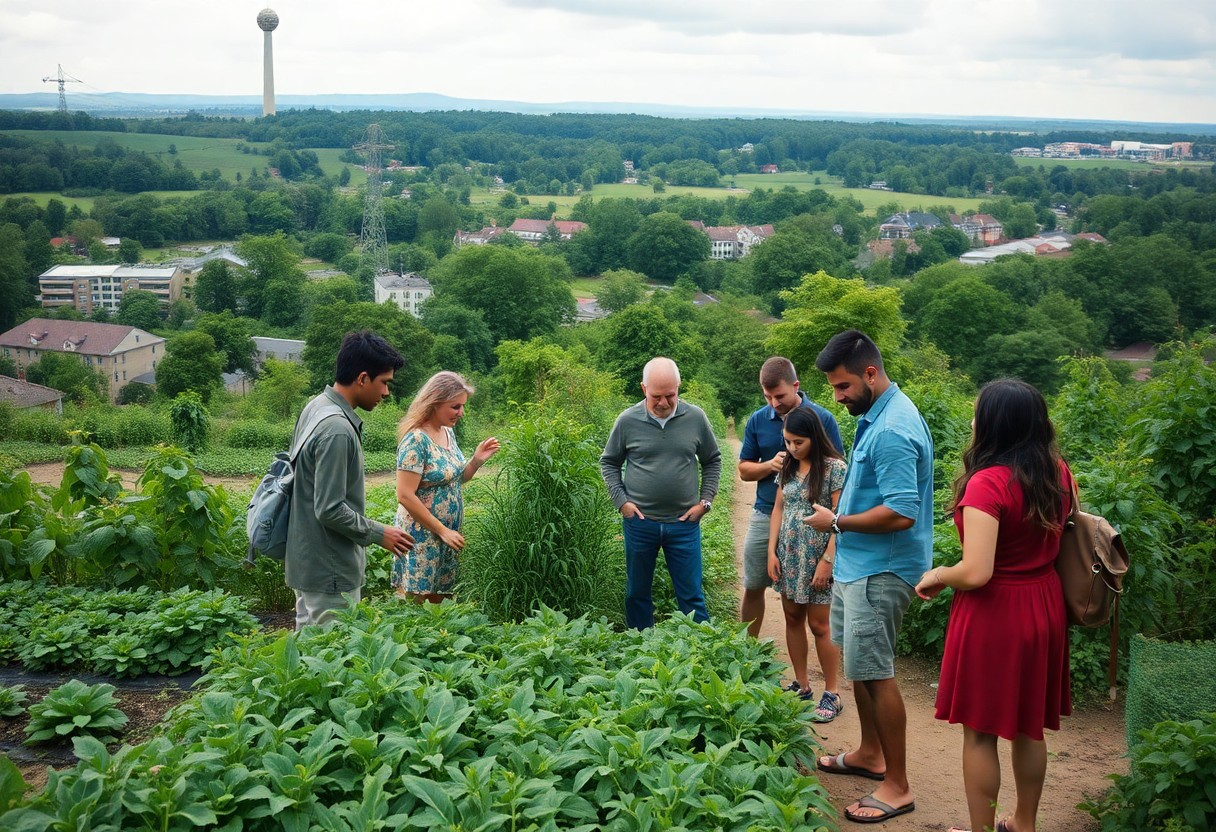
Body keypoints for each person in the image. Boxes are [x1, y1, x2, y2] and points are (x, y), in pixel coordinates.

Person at [914, 379, 1072, 832]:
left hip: (996, 612)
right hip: (1044, 604)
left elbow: (977, 571)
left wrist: (939, 575)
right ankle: (1024, 824)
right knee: (1028, 727)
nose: (972, 418)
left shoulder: (988, 484)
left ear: (994, 425)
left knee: (980, 732)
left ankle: (982, 829)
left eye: (978, 411)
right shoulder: (1057, 471)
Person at [804, 329, 933, 824]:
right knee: (860, 667)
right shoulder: (875, 414)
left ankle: (897, 786)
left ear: (870, 374)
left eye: (842, 387)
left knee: (877, 675)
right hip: (859, 565)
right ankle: (869, 754)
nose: (837, 397)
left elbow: (902, 511)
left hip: (882, 571)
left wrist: (835, 522)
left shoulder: (895, 427)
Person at [285, 331, 415, 630]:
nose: (386, 393)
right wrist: (379, 533)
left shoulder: (316, 406)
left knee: (309, 654)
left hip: (309, 562)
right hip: (328, 569)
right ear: (362, 378)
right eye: (384, 383)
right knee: (330, 663)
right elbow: (329, 508)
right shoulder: (337, 429)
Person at [600, 357, 722, 629]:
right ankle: (640, 647)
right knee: (637, 593)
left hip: (684, 524)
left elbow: (712, 459)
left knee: (691, 595)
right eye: (657, 396)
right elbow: (609, 462)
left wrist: (706, 501)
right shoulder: (627, 421)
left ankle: (700, 649)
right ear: (644, 389)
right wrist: (622, 503)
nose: (664, 403)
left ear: (678, 388)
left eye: (671, 395)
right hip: (641, 523)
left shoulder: (695, 418)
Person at [739, 357, 842, 635]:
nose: (774, 403)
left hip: (813, 520)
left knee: (815, 599)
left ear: (795, 385)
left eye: (780, 395)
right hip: (767, 512)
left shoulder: (822, 419)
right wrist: (769, 466)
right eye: (767, 396)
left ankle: (821, 672)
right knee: (753, 584)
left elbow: (838, 471)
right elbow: (744, 470)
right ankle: (745, 651)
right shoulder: (758, 420)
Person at [767, 405, 847, 722]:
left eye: (798, 442)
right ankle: (802, 685)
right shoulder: (787, 465)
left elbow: (840, 519)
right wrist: (771, 551)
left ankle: (833, 693)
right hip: (790, 554)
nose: (792, 448)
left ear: (814, 436)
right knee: (791, 616)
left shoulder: (834, 468)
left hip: (819, 559)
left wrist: (828, 559)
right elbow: (778, 509)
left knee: (820, 625)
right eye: (788, 441)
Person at [394, 371, 499, 603]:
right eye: (455, 407)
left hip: (447, 534)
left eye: (462, 406)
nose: (461, 413)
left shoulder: (448, 434)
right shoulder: (415, 440)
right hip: (421, 536)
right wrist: (442, 530)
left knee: (443, 604)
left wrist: (476, 460)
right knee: (419, 605)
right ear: (435, 402)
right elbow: (404, 495)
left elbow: (456, 479)